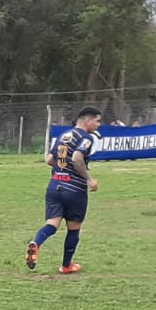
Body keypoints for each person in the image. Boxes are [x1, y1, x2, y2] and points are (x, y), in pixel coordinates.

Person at [26, 107, 102, 274]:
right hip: (74, 189)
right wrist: (89, 179)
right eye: (97, 121)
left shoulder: (63, 136)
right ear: (87, 121)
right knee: (73, 228)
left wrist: (63, 170)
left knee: (52, 224)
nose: (98, 125)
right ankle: (67, 266)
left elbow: (49, 160)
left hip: (54, 186)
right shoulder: (86, 137)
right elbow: (76, 158)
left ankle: (36, 243)